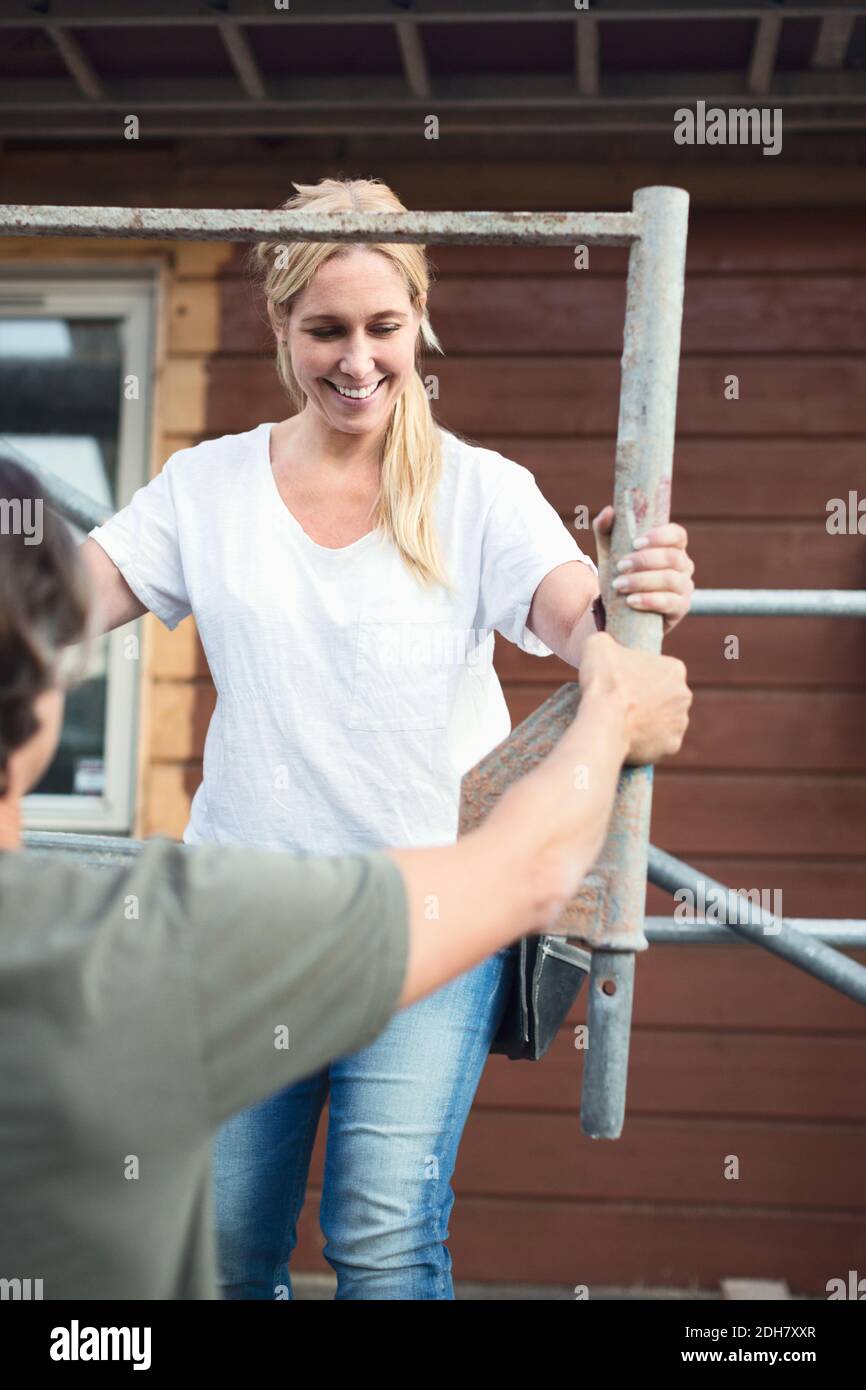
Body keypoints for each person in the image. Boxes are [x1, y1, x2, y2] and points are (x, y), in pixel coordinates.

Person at [78, 176, 696, 1301]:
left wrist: (627, 592)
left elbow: (580, 621)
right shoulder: (205, 487)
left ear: (419, 319)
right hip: (244, 924)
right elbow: (61, 605)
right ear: (279, 327)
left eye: (381, 326)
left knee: (381, 1234)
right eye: (323, 330)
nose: (355, 360)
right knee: (222, 1245)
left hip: (429, 919)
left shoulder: (479, 491)